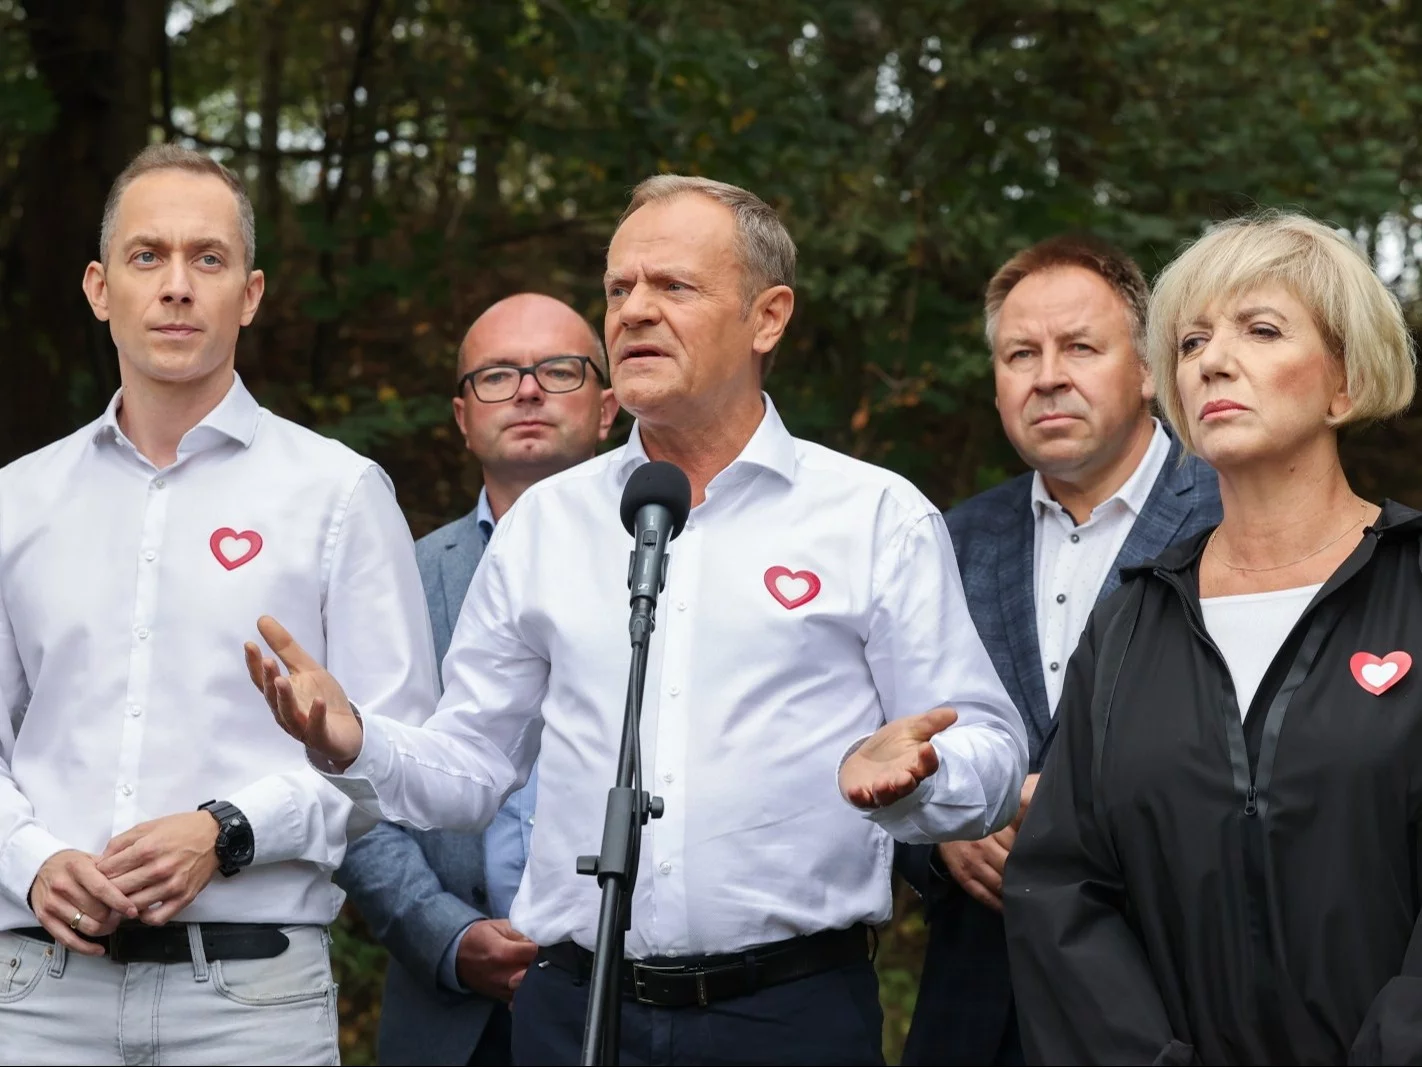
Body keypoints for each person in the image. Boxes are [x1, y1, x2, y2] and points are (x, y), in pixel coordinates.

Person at [245, 175, 1029, 1066]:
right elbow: (472, 766)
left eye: (674, 287)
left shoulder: (873, 516)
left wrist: (922, 776)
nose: (633, 312)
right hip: (572, 1011)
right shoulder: (545, 524)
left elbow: (994, 756)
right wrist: (358, 742)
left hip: (788, 1015)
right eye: (619, 288)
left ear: (768, 317)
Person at [0, 144, 437, 1065]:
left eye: (209, 258)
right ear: (97, 286)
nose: (176, 286)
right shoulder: (17, 501)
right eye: (147, 256)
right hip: (36, 996)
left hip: (250, 1002)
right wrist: (30, 857)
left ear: (251, 293)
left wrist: (231, 829)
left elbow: (400, 750)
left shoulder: (340, 494)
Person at [1003, 210, 1422, 1065]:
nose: (1213, 361)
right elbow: (1061, 889)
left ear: (1345, 383)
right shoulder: (1129, 621)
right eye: (1191, 343)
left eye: (1261, 330)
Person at [896, 236, 1220, 1065]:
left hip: (1175, 998)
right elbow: (885, 738)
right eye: (1020, 354)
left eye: (1080, 347)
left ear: (1148, 367)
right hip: (980, 1001)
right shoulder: (946, 540)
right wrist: (943, 829)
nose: (1047, 375)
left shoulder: (1234, 517)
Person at [335, 293, 617, 1066]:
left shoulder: (678, 567)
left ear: (608, 407)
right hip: (452, 1012)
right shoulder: (400, 579)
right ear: (462, 417)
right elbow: (357, 789)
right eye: (496, 375)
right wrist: (445, 934)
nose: (527, 391)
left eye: (558, 371)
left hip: (638, 998)